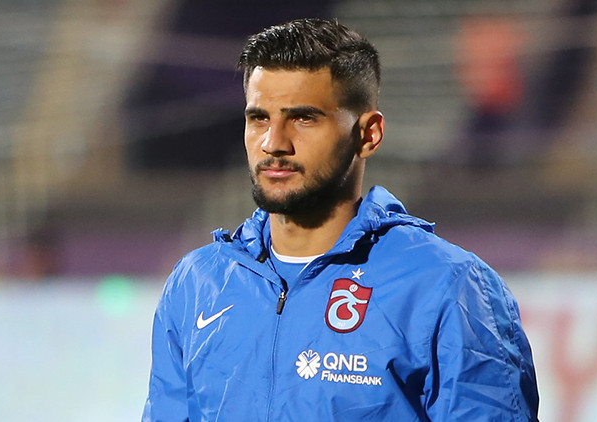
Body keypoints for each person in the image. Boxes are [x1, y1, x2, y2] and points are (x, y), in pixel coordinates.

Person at [142, 18, 539, 421]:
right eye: (259, 118)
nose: (273, 143)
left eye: (303, 118)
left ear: (368, 134)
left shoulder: (447, 285)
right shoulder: (197, 283)